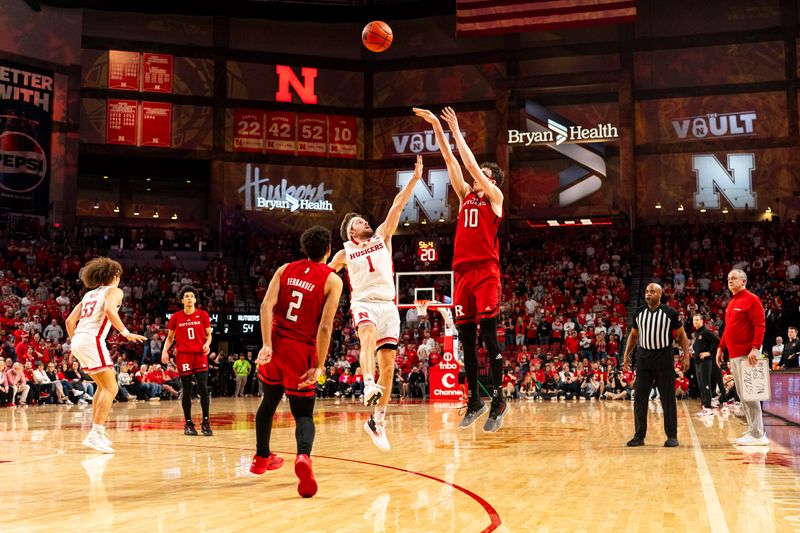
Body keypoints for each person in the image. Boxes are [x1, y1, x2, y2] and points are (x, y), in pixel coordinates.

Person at [414, 106, 508, 432]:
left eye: (483, 173)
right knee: (465, 338)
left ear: (491, 179)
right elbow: (451, 161)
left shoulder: (494, 196)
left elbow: (468, 163)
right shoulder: (466, 195)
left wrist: (456, 129)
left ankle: (498, 399)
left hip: (486, 271)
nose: (476, 175)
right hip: (462, 273)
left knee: (488, 333)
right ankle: (475, 400)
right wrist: (438, 128)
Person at [328, 155, 422, 450]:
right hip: (364, 302)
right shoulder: (344, 252)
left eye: (364, 219)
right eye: (359, 222)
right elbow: (325, 274)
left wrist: (415, 181)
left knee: (391, 366)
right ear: (351, 232)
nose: (365, 222)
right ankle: (368, 382)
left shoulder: (382, 236)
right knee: (366, 335)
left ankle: (377, 420)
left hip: (388, 304)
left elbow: (397, 205)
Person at [251, 225, 343, 498]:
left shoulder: (284, 269)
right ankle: (303, 456)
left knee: (267, 403)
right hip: (300, 351)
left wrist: (266, 344)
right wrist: (320, 365)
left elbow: (265, 306)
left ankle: (261, 457)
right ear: (328, 250)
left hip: (275, 345)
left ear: (304, 248)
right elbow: (325, 327)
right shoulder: (332, 280)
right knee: (303, 414)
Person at [65, 257, 146, 453]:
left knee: (103, 386)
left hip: (79, 340)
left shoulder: (89, 295)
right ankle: (95, 433)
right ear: (115, 275)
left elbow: (69, 321)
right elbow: (110, 310)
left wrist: (75, 343)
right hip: (92, 339)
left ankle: (97, 432)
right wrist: (126, 333)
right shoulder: (115, 291)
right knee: (111, 387)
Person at [623, 283, 691, 448]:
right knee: (639, 397)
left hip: (664, 357)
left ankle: (672, 436)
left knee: (667, 398)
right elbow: (633, 335)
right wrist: (626, 354)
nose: (648, 294)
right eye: (646, 291)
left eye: (652, 291)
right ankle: (639, 436)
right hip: (644, 357)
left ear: (660, 294)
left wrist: (686, 356)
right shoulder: (638, 312)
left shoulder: (670, 313)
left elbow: (681, 336)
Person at [716, 269, 768, 446]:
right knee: (742, 394)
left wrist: (755, 349)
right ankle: (753, 430)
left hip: (747, 355)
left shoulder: (752, 299)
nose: (730, 280)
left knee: (750, 394)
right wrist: (721, 347)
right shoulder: (732, 302)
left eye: (734, 278)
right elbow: (728, 329)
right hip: (735, 355)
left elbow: (760, 325)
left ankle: (758, 434)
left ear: (744, 282)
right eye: (728, 278)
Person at [162, 286, 214, 436]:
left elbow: (209, 335)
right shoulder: (175, 317)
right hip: (183, 356)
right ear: (182, 300)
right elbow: (170, 338)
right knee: (187, 389)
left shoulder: (203, 315)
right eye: (187, 296)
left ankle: (205, 421)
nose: (190, 298)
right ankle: (188, 423)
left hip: (199, 355)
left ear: (195, 300)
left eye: (192, 296)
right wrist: (165, 350)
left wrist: (207, 344)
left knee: (203, 387)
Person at [692, 313, 720, 418]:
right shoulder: (697, 333)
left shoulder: (706, 332)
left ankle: (708, 408)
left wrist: (708, 353)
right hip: (698, 362)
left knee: (705, 384)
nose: (695, 322)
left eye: (697, 320)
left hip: (705, 362)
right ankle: (704, 406)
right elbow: (698, 346)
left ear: (702, 321)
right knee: (701, 385)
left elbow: (717, 341)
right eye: (694, 320)